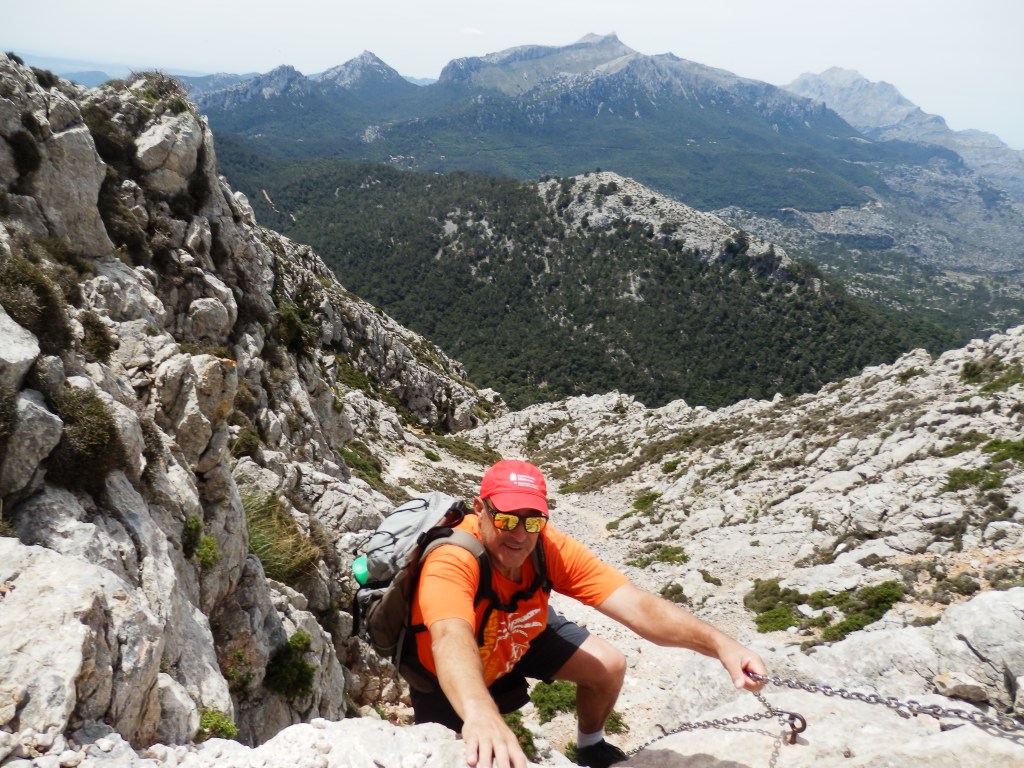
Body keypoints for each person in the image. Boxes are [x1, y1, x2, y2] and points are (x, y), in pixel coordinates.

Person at [408, 459, 767, 768]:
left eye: (533, 521)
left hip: (519, 629)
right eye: (507, 519)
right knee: (473, 752)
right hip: (452, 670)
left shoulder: (549, 547)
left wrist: (722, 645)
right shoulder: (453, 557)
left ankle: (591, 746)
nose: (520, 534)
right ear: (480, 510)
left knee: (608, 666)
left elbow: (637, 606)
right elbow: (449, 635)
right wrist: (480, 713)